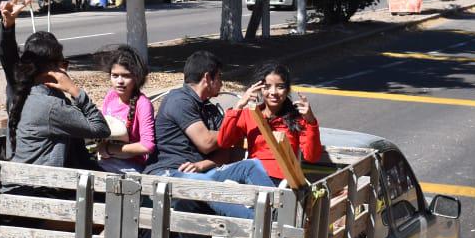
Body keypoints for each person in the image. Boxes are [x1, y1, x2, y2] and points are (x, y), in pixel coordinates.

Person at [147, 51, 268, 188]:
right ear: (207, 78)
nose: (221, 83)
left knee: (252, 166)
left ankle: (277, 202)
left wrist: (201, 165)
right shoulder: (179, 100)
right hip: (170, 173)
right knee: (206, 184)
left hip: (202, 174)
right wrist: (236, 113)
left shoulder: (210, 109)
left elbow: (225, 152)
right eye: (219, 76)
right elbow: (206, 142)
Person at [5, 30, 109, 168]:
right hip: (44, 181)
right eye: (63, 64)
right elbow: (101, 129)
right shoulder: (51, 106)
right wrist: (75, 90)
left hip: (21, 178)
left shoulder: (22, 96)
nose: (65, 71)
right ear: (52, 69)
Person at [215, 62, 322, 184]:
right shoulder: (250, 114)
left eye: (280, 87)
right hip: (250, 176)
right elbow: (224, 142)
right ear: (259, 89)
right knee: (206, 178)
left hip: (280, 182)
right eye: (267, 87)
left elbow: (312, 157)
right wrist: (238, 106)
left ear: (287, 90)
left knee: (247, 168)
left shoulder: (297, 118)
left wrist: (311, 121)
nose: (273, 92)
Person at [97, 45, 155, 173]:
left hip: (131, 166)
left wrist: (110, 149)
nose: (120, 81)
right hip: (106, 161)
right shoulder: (111, 96)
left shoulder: (143, 104)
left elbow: (147, 145)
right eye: (115, 75)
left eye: (126, 76)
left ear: (137, 77)